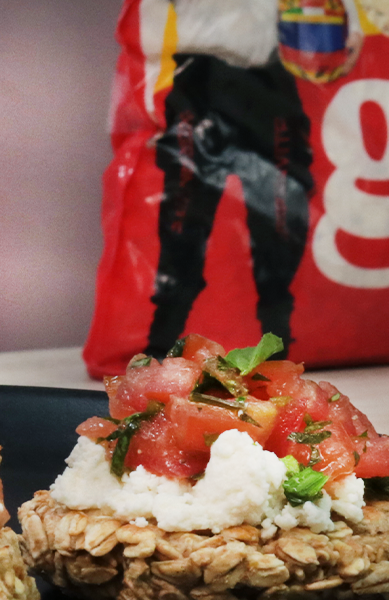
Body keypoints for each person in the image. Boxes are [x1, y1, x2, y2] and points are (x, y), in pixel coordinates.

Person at [146, 0, 327, 357]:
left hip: (268, 80)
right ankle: (155, 352)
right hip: (198, 80)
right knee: (182, 220)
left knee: (279, 221)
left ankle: (278, 353)